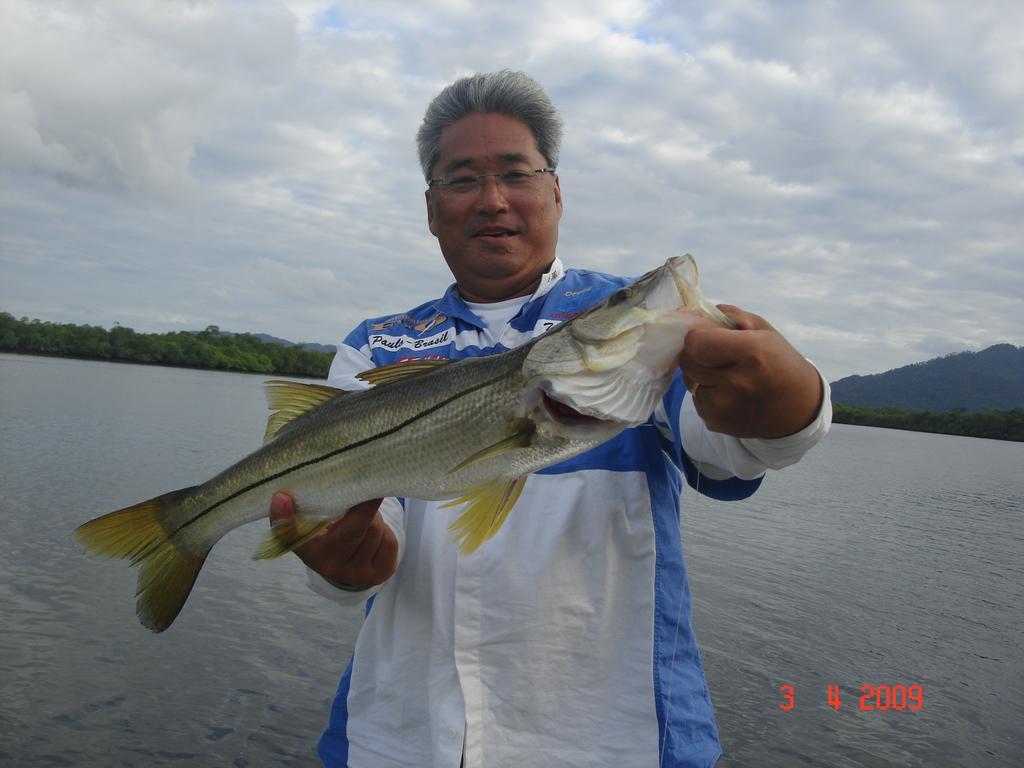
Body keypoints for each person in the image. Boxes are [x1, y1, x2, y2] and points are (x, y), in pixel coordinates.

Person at [269, 71, 830, 768]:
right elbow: (355, 541)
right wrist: (344, 567)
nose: (492, 200)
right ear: (431, 208)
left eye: (515, 173)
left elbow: (738, 444)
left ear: (556, 192)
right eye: (463, 179)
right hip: (399, 738)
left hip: (617, 743)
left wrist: (796, 402)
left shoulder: (639, 339)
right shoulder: (375, 350)